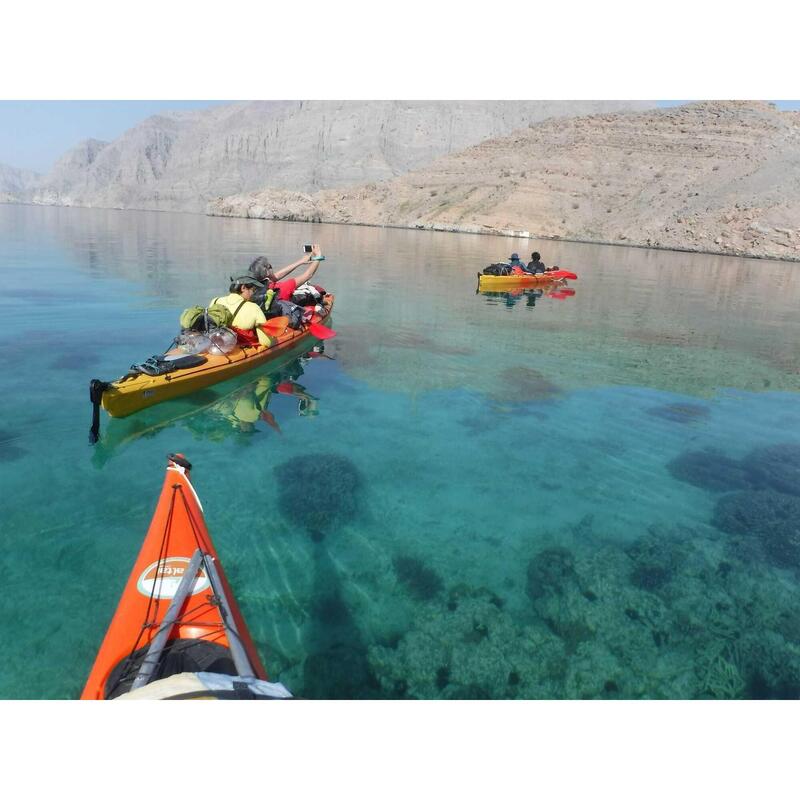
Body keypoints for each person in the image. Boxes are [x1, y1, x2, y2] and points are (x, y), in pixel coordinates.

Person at [247, 244, 324, 312]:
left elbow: (275, 277)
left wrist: (301, 261)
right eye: (269, 266)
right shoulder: (283, 287)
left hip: (268, 313)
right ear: (267, 273)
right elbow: (308, 275)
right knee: (310, 297)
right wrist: (318, 256)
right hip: (283, 314)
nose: (271, 266)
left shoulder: (252, 289)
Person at [208, 276, 272, 346]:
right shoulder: (254, 308)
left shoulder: (215, 301)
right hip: (239, 350)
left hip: (215, 346)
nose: (253, 294)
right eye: (253, 290)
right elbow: (266, 342)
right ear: (243, 288)